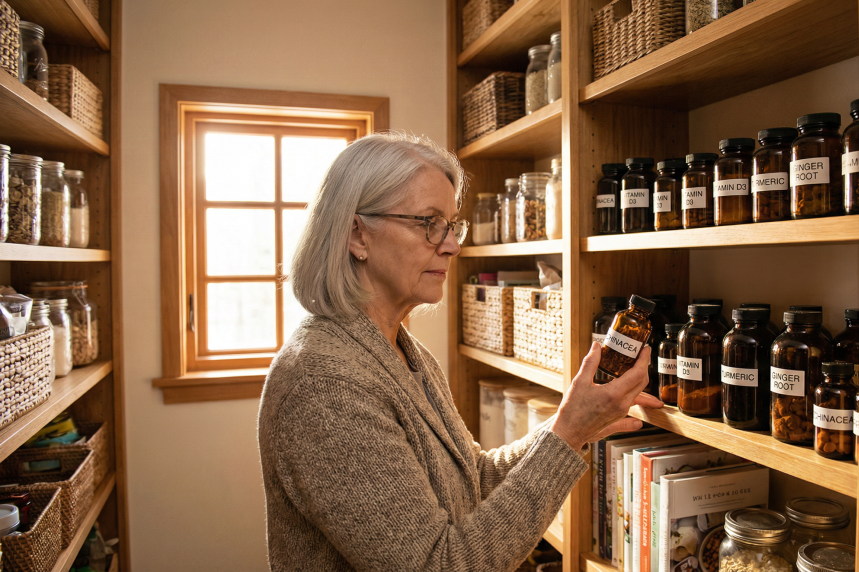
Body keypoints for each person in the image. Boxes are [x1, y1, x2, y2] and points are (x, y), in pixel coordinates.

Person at [258, 132, 663, 572]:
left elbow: (475, 480)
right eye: (429, 222)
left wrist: (575, 424)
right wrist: (567, 434)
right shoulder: (325, 385)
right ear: (358, 235)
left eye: (452, 225)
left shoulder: (401, 350)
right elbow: (440, 565)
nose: (451, 244)